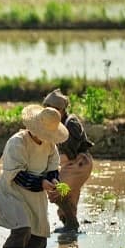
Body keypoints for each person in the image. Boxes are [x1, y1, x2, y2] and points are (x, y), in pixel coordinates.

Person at [0, 105, 69, 248]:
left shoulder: (50, 145)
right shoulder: (17, 143)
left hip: (36, 192)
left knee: (39, 233)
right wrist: (42, 183)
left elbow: (53, 168)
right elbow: (17, 175)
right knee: (23, 229)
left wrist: (54, 182)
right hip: (13, 190)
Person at [43, 89, 94, 234]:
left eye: (54, 109)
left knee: (56, 191)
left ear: (62, 109)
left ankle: (72, 225)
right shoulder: (53, 124)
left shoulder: (71, 123)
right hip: (70, 163)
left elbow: (69, 154)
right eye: (48, 109)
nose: (51, 112)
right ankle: (70, 230)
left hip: (79, 162)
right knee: (69, 199)